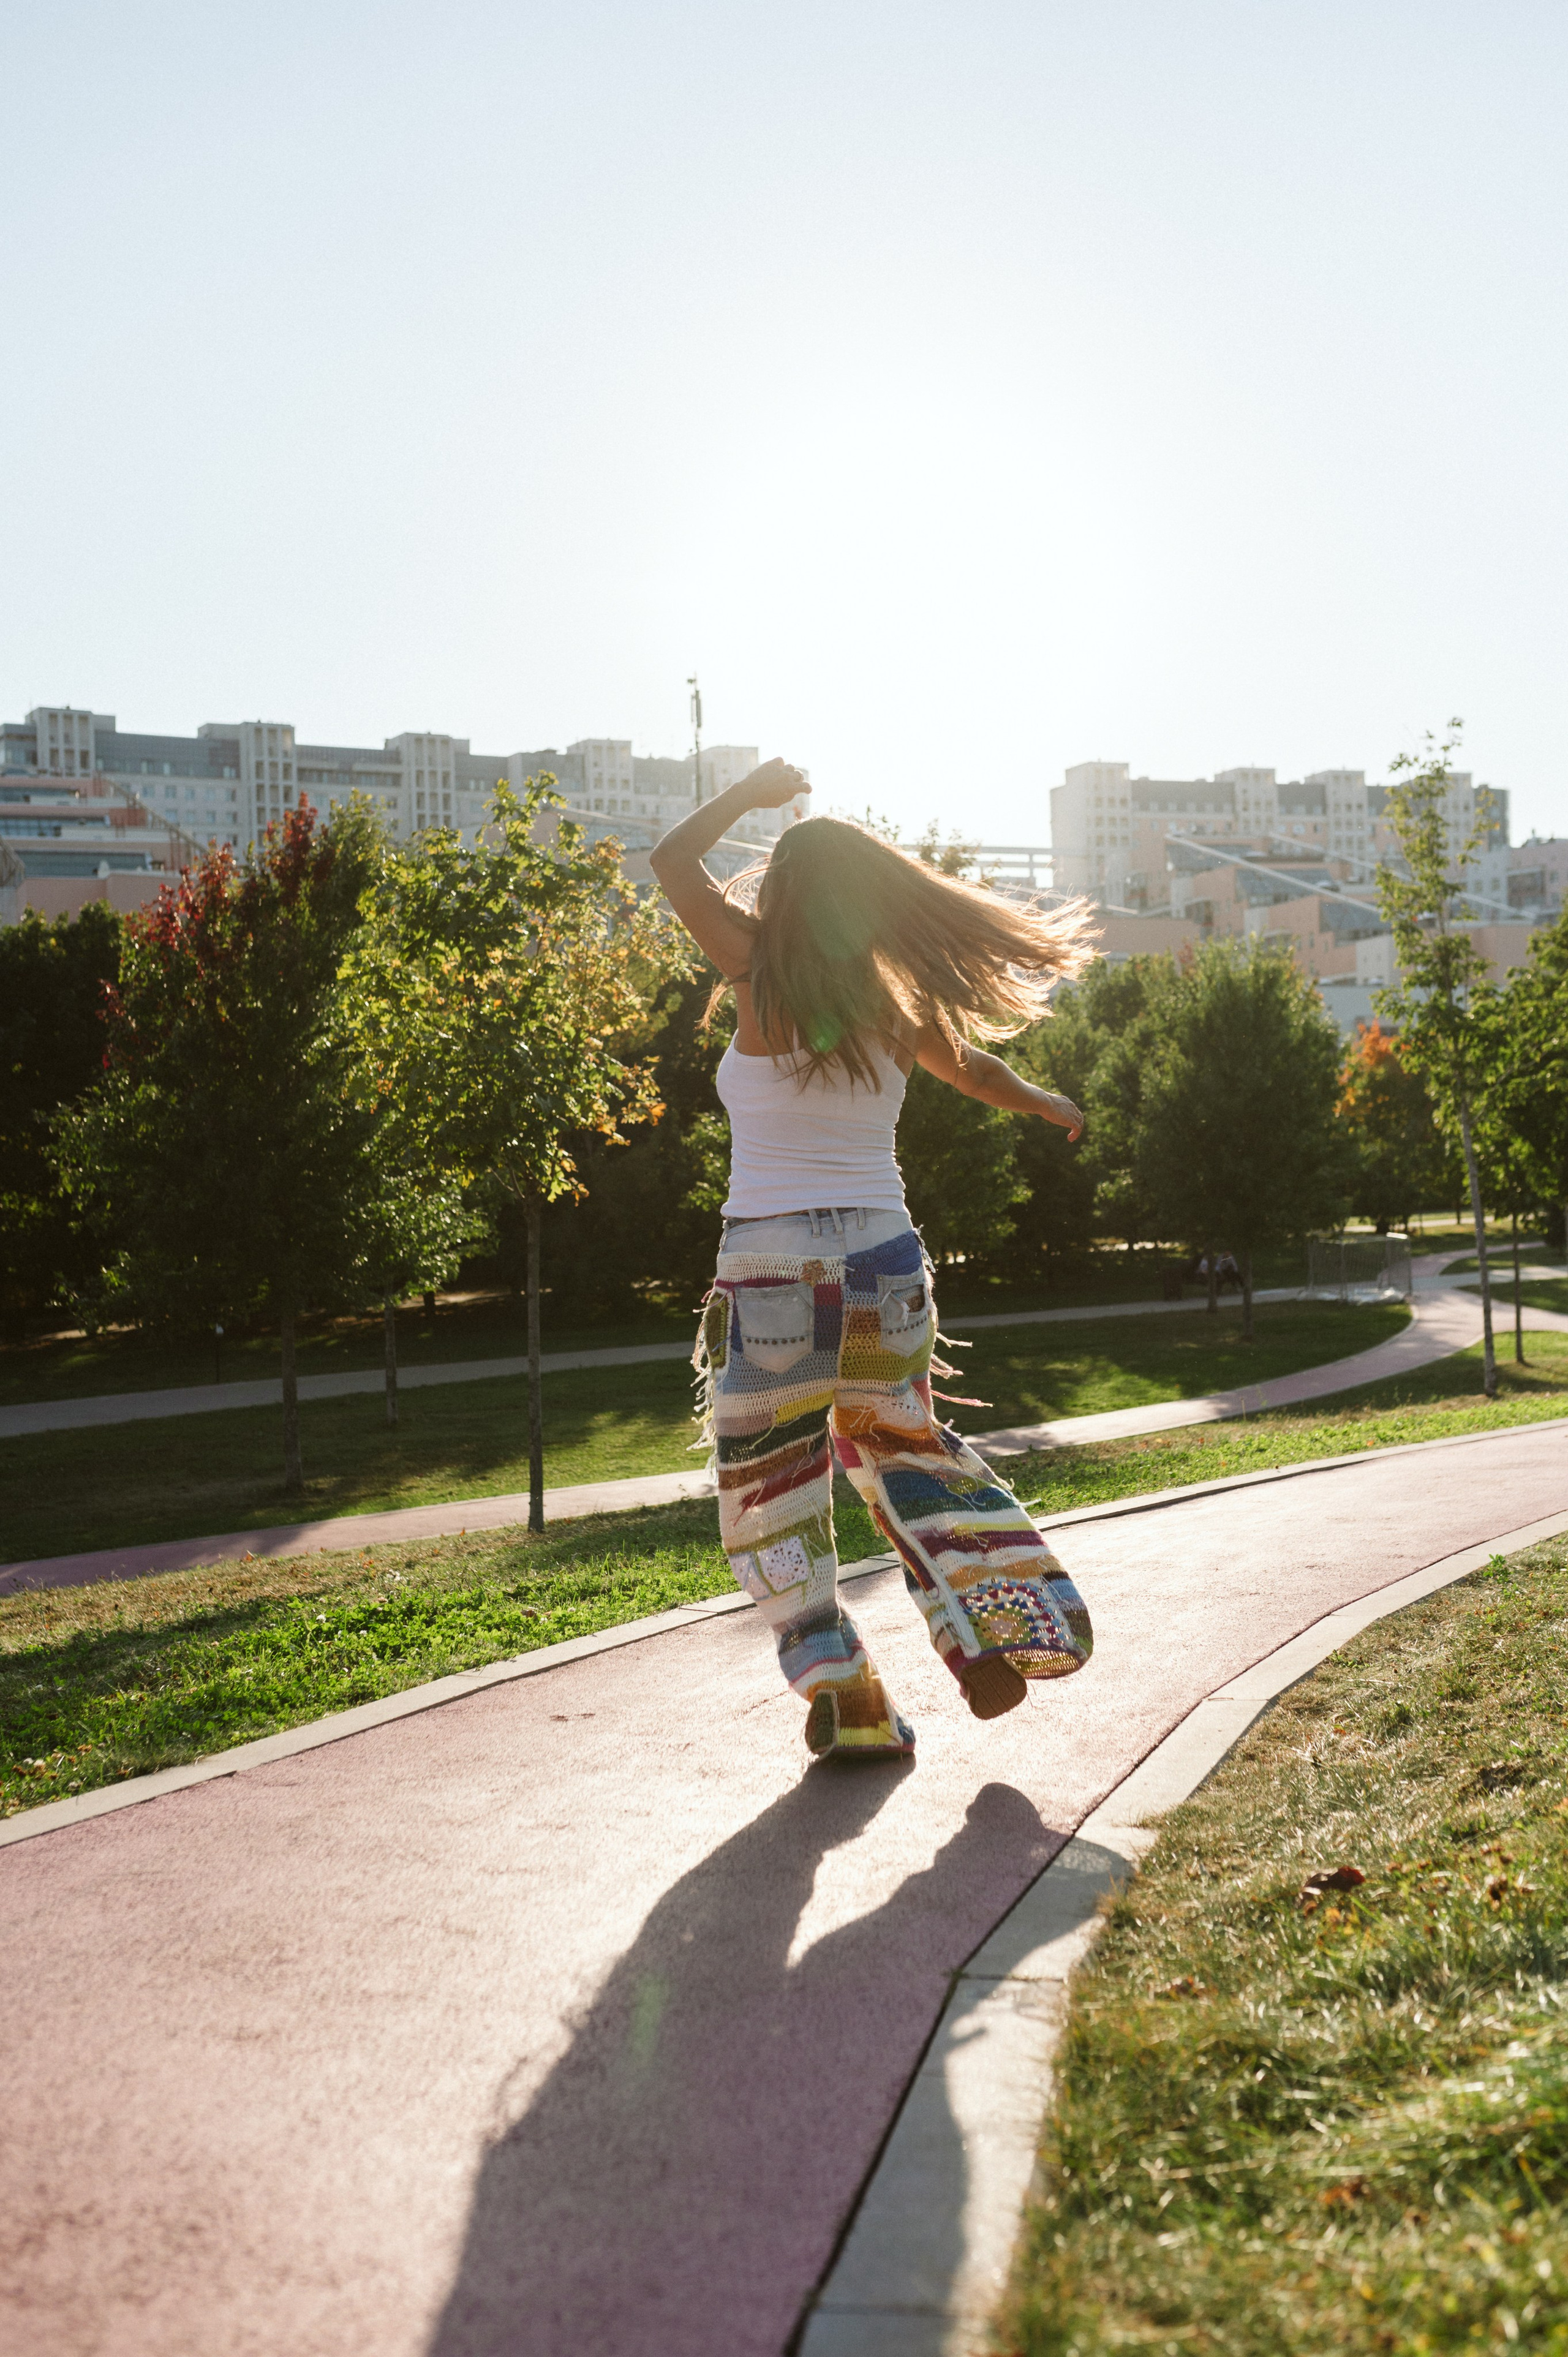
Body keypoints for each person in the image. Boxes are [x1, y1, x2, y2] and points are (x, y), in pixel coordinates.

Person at [650, 760, 1100, 1763]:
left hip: (770, 1272)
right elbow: (975, 1069)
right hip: (887, 1268)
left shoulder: (754, 969)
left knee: (772, 1482)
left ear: (782, 893)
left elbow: (671, 861)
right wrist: (1045, 1105)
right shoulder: (891, 1000)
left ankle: (842, 1684)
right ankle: (984, 1624)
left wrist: (748, 797)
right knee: (901, 1449)